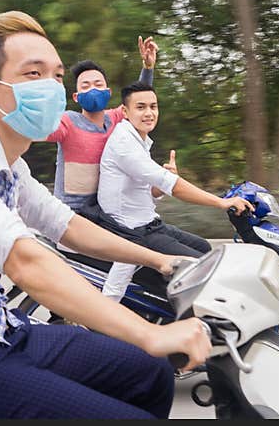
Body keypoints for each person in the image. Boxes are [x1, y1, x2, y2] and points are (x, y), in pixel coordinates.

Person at [0, 11, 212, 419]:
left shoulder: (9, 162)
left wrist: (159, 259)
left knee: (151, 372)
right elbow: (24, 261)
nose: (51, 88)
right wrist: (147, 333)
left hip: (2, 329)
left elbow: (67, 226)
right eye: (32, 74)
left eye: (56, 76)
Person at [96, 82, 253, 302]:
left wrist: (160, 186)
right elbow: (176, 187)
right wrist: (222, 202)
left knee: (204, 247)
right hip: (133, 232)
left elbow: (148, 192)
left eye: (154, 106)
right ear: (125, 111)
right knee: (205, 269)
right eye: (141, 107)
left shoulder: (138, 139)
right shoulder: (124, 143)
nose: (149, 113)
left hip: (150, 223)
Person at [45, 38, 158, 213]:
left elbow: (138, 101)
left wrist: (148, 68)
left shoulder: (115, 118)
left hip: (104, 212)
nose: (93, 89)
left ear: (108, 91)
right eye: (86, 86)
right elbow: (38, 129)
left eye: (98, 85)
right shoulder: (67, 122)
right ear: (76, 97)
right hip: (71, 213)